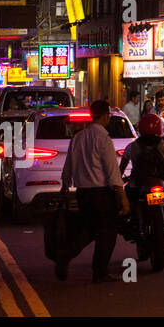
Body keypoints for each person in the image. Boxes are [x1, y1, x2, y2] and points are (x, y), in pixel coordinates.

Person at [57, 99, 129, 283]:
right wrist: (123, 198)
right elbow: (113, 171)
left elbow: (68, 167)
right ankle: (99, 272)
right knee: (107, 232)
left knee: (89, 229)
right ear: (105, 116)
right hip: (102, 194)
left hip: (83, 193)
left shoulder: (79, 137)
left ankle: (66, 255)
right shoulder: (103, 138)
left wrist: (65, 187)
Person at [119, 111, 164, 237]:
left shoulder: (132, 146)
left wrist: (119, 180)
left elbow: (121, 168)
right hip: (162, 180)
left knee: (129, 196)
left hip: (139, 182)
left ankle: (132, 222)